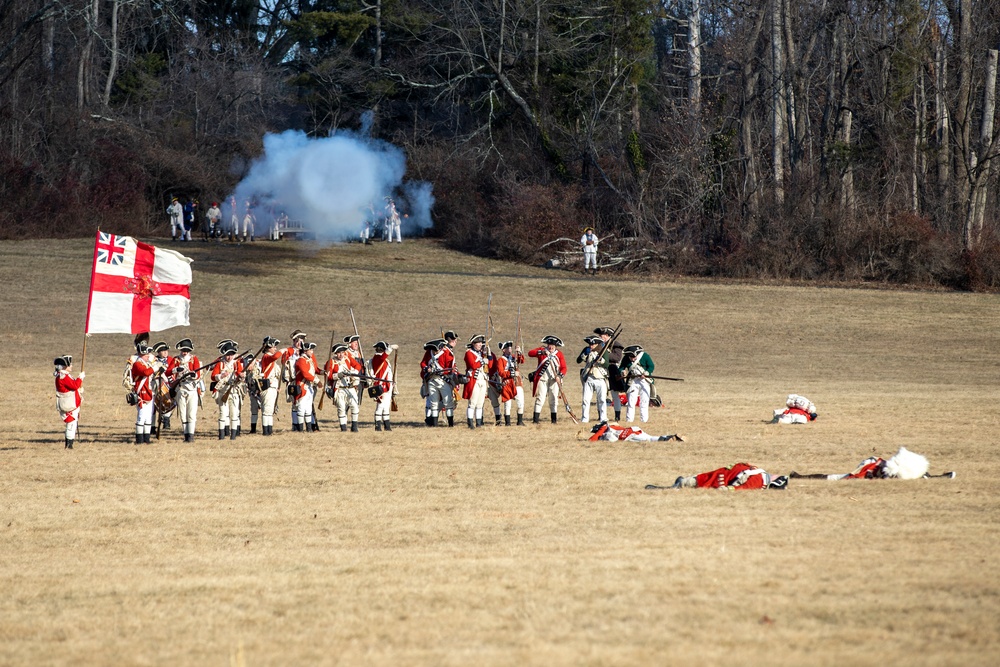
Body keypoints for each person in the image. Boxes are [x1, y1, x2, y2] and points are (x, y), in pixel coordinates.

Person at [788, 447, 952, 480]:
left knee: (836, 477)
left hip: (871, 470)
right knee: (836, 477)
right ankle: (800, 477)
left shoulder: (873, 469)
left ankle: (801, 477)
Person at [648, 464, 788, 490]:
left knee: (703, 478)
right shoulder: (758, 480)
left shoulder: (759, 472)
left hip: (726, 473)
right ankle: (681, 484)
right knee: (704, 480)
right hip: (725, 477)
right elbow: (738, 489)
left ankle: (682, 483)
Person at [527, 335, 568, 424]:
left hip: (554, 380)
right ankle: (535, 420)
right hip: (542, 379)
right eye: (549, 344)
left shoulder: (559, 354)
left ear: (556, 346)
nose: (551, 346)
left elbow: (564, 368)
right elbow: (530, 353)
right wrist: (541, 353)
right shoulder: (542, 351)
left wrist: (560, 376)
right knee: (540, 398)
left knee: (553, 399)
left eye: (552, 345)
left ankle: (554, 420)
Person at [211, 340, 246, 440]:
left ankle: (233, 436)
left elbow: (240, 374)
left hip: (234, 390)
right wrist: (221, 375)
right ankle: (221, 435)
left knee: (234, 413)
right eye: (227, 354)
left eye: (231, 354)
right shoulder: (220, 364)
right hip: (223, 390)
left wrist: (242, 376)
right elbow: (213, 377)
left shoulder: (236, 363)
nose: (229, 357)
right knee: (223, 413)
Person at [170, 338, 202, 442]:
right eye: (183, 350)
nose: (185, 352)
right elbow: (168, 372)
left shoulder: (194, 359)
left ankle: (191, 436)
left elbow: (197, 374)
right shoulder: (176, 359)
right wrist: (176, 370)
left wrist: (193, 375)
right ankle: (186, 435)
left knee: (192, 414)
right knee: (183, 414)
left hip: (191, 388)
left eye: (187, 350)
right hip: (180, 388)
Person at [248, 336, 282, 436]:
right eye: (274, 347)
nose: (275, 349)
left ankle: (269, 430)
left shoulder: (268, 358)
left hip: (272, 387)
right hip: (268, 387)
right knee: (267, 410)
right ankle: (266, 431)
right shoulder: (267, 356)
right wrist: (283, 351)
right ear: (268, 348)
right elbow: (275, 357)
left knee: (269, 410)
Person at [325, 343, 362, 431]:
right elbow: (329, 376)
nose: (341, 355)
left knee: (355, 406)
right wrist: (338, 375)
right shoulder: (331, 362)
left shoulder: (347, 359)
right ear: (335, 353)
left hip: (350, 387)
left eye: (342, 352)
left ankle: (354, 427)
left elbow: (358, 365)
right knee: (341, 408)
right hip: (340, 388)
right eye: (339, 353)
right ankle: (343, 428)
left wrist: (354, 373)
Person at [488, 341, 525, 426]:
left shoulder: (513, 357)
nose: (510, 349)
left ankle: (520, 421)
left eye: (511, 348)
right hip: (507, 383)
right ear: (504, 350)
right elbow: (501, 372)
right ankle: (507, 422)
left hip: (516, 382)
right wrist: (511, 374)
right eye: (508, 348)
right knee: (507, 404)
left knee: (520, 401)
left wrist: (519, 352)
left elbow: (521, 360)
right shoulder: (501, 360)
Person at [577, 335, 609, 423]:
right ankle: (585, 418)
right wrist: (585, 354)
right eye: (590, 344)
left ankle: (603, 418)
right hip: (589, 377)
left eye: (593, 344)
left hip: (600, 377)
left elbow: (606, 364)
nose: (591, 346)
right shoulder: (586, 350)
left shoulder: (603, 351)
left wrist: (600, 359)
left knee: (602, 399)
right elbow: (578, 360)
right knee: (586, 399)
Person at [54, 355, 84, 449]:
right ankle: (69, 445)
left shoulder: (64, 375)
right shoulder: (64, 376)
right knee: (71, 424)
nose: (71, 366)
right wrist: (80, 378)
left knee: (72, 423)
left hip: (70, 402)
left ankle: (69, 443)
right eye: (70, 365)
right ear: (64, 366)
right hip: (68, 404)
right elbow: (74, 386)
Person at [462, 334, 491, 429]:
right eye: (478, 343)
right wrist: (483, 361)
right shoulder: (469, 353)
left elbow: (489, 365)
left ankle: (478, 422)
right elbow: (473, 365)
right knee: (473, 403)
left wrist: (488, 355)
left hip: (482, 380)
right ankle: (470, 422)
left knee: (480, 403)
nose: (480, 344)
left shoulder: (482, 354)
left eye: (481, 343)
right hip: (474, 380)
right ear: (473, 343)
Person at [281, 330, 308, 430]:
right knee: (295, 404)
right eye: (297, 341)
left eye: (301, 341)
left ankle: (310, 424)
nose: (299, 343)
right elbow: (284, 361)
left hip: (304, 381)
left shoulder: (305, 351)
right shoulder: (289, 351)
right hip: (293, 380)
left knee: (306, 404)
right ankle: (295, 425)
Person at [130, 343, 157, 444]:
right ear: (142, 355)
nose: (148, 356)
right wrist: (155, 368)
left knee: (148, 417)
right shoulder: (137, 364)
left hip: (149, 392)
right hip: (141, 392)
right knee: (141, 416)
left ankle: (147, 439)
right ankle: (139, 440)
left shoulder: (146, 364)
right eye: (147, 355)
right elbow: (145, 373)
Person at [368, 341, 398, 431]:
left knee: (386, 406)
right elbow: (383, 357)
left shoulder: (383, 359)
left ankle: (387, 425)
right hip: (381, 386)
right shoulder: (377, 358)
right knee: (380, 406)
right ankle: (377, 426)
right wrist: (391, 348)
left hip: (387, 385)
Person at [291, 341, 320, 431]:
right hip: (302, 386)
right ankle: (300, 429)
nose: (312, 352)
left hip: (309, 387)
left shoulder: (309, 360)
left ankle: (309, 429)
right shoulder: (301, 360)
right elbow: (305, 374)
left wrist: (323, 372)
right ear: (305, 350)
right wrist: (317, 381)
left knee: (308, 409)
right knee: (301, 408)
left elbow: (316, 370)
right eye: (310, 350)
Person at [622, 344, 654, 423]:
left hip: (644, 381)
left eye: (634, 357)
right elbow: (621, 367)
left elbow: (651, 366)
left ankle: (644, 420)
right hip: (633, 380)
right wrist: (622, 372)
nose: (632, 359)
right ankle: (629, 420)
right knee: (631, 401)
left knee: (644, 401)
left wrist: (646, 373)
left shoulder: (645, 356)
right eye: (631, 357)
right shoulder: (626, 358)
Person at [587, 421, 683, 443]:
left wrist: (598, 433)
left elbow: (592, 440)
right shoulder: (612, 425)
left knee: (649, 439)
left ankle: (668, 439)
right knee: (650, 437)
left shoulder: (604, 428)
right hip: (633, 429)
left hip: (629, 435)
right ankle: (670, 436)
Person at [151, 341, 174, 429]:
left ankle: (166, 421)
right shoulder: (153, 360)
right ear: (158, 352)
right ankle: (152, 426)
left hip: (168, 384)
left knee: (168, 402)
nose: (165, 352)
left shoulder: (171, 360)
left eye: (166, 350)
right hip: (155, 385)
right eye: (163, 351)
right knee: (153, 405)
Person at [606, 342, 627, 421]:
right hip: (600, 370)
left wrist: (605, 354)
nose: (601, 337)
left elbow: (617, 358)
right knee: (600, 397)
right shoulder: (599, 345)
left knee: (615, 395)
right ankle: (601, 416)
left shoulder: (616, 346)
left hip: (612, 370)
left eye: (603, 335)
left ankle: (617, 416)